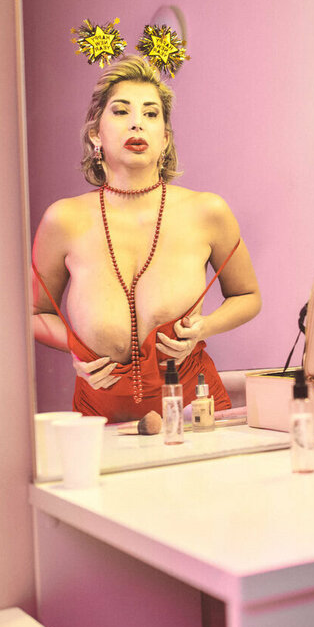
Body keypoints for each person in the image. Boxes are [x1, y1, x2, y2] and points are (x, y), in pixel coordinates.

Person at [32, 55, 261, 423]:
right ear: (95, 134)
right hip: (98, 421)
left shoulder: (207, 211)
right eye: (121, 111)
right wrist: (75, 350)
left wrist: (204, 327)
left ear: (165, 138)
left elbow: (247, 296)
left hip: (195, 416)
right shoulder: (63, 219)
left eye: (151, 114)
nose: (137, 122)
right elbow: (35, 313)